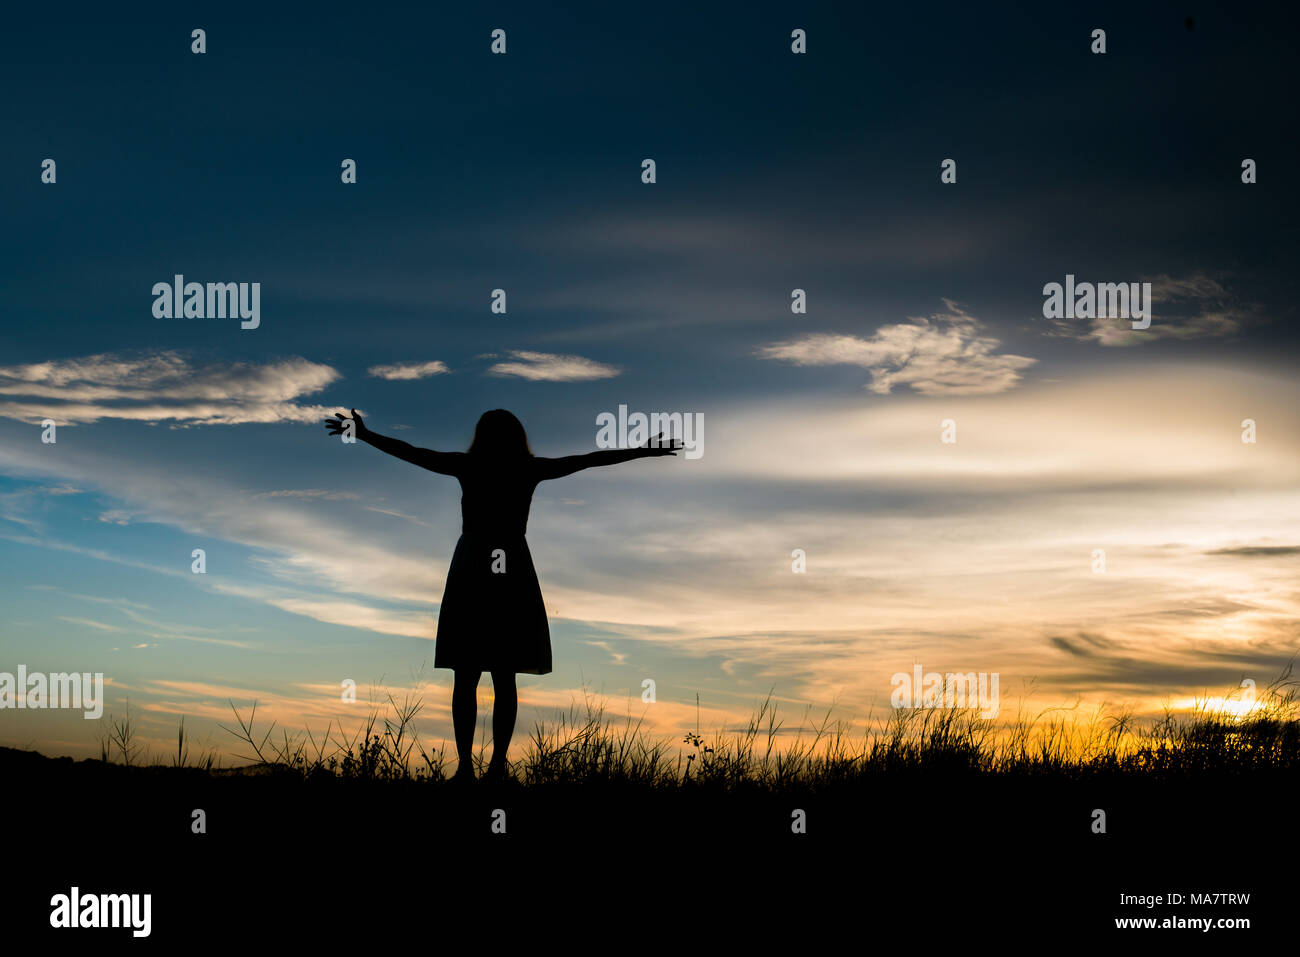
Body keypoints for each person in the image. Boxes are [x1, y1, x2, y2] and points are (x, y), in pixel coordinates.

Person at [324, 407, 679, 781]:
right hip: (508, 566)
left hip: (475, 566)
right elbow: (587, 460)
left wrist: (365, 435)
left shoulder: (470, 466)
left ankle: (469, 767)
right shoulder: (525, 469)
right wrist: (640, 451)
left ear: (481, 435)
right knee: (501, 672)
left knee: (469, 672)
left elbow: (412, 452)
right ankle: (494, 766)